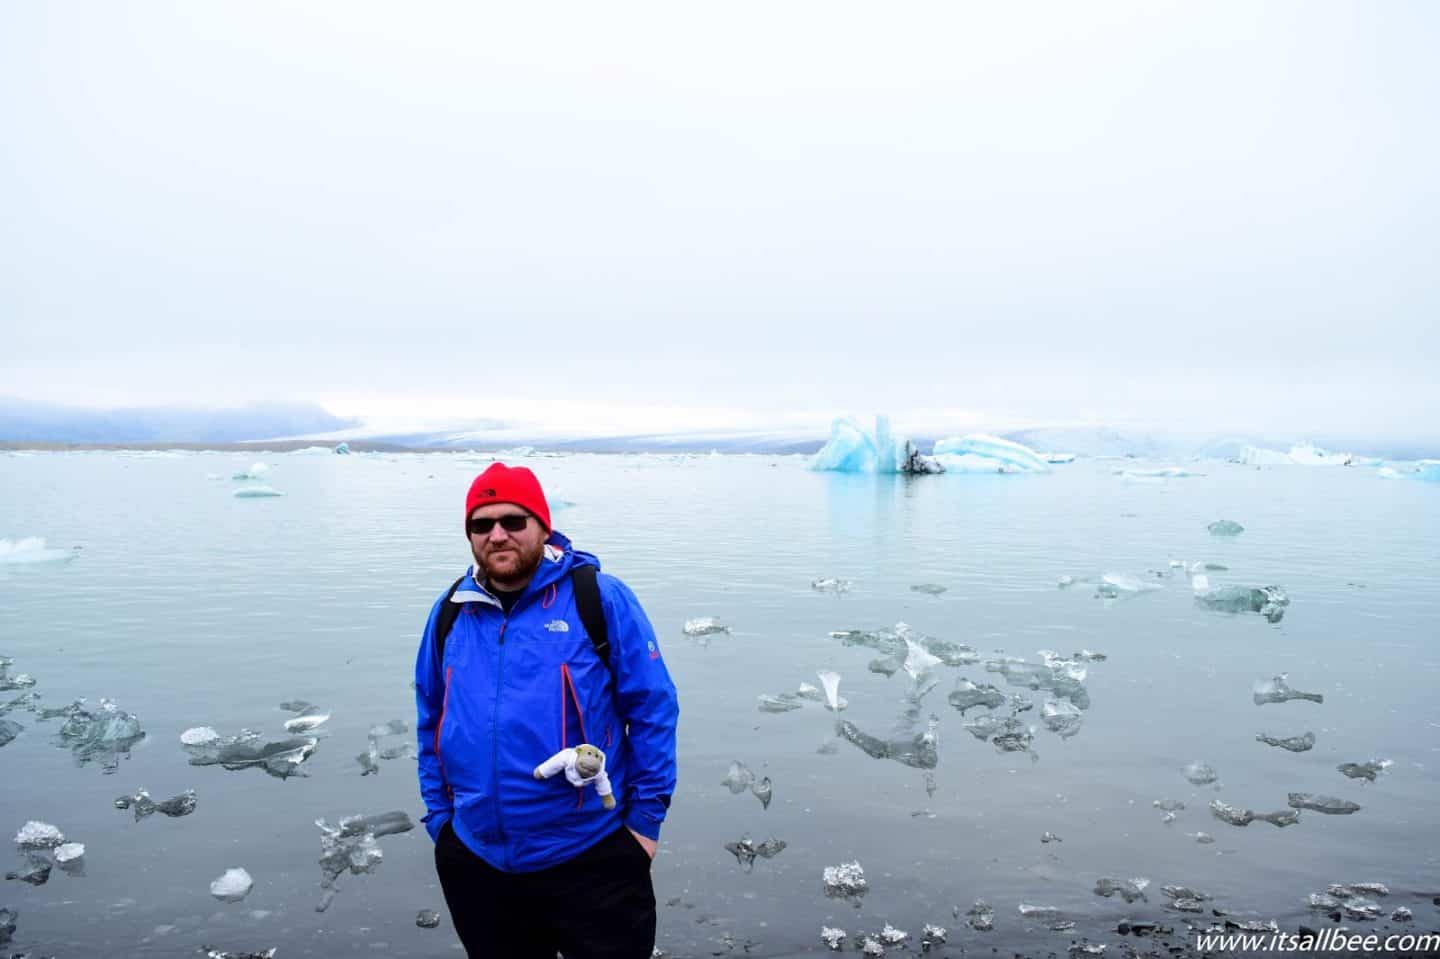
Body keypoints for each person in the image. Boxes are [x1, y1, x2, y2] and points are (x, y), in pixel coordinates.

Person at [415, 462, 679, 958]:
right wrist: (441, 822)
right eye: (482, 524)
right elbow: (431, 715)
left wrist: (644, 825)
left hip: (591, 856)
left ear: (541, 525)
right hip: (478, 860)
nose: (497, 535)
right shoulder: (452, 610)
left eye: (513, 521)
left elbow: (653, 711)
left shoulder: (598, 599)